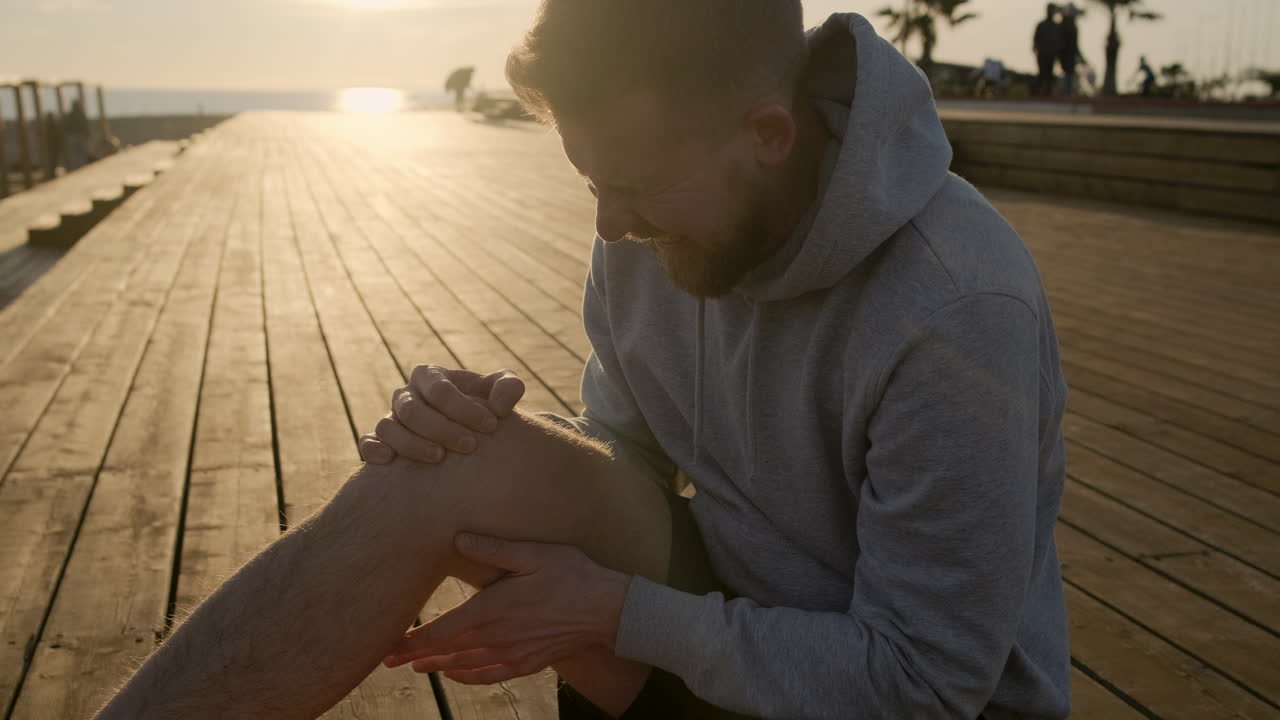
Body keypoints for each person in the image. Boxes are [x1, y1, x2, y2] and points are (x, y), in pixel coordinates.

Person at [96, 4, 1071, 719]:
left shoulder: (953, 304)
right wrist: (495, 437)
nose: (607, 227)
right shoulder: (650, 231)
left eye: (635, 187)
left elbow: (924, 681)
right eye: (590, 184)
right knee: (450, 465)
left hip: (893, 694)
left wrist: (619, 612)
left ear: (767, 134)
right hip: (717, 617)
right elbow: (626, 452)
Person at [1032, 3, 1061, 96]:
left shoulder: (1056, 26)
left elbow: (1058, 41)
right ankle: (1035, 92)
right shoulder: (1042, 25)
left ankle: (1047, 93)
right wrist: (1036, 48)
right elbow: (1035, 39)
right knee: (1042, 73)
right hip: (1042, 54)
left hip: (1051, 54)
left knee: (1049, 75)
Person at [1057, 4, 1084, 96]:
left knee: (1069, 74)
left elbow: (1074, 45)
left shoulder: (1067, 27)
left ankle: (1067, 92)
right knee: (1068, 74)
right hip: (1066, 55)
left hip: (1068, 55)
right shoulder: (1067, 27)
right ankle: (1066, 93)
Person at [64, 98, 90, 170]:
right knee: (80, 154)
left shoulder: (70, 115)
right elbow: (85, 126)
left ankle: (77, 168)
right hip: (78, 136)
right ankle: (81, 168)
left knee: (75, 155)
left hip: (73, 137)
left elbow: (66, 127)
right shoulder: (80, 114)